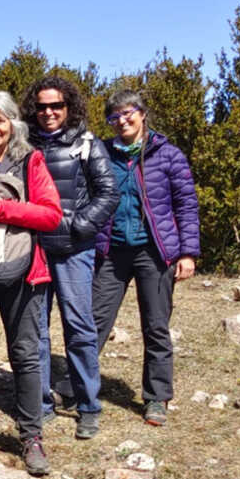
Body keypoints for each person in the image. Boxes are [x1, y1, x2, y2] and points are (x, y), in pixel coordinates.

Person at [0, 92, 62, 476]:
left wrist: (1, 209)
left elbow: (51, 216)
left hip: (25, 275)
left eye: (0, 120)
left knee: (25, 355)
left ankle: (31, 437)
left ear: (13, 123)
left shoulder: (30, 161)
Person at [93, 89, 199, 427]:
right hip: (112, 250)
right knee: (94, 321)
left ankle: (156, 398)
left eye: (128, 113)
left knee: (155, 326)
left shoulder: (168, 155)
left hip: (154, 252)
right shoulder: (102, 154)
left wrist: (187, 252)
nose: (122, 120)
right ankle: (78, 385)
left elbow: (186, 205)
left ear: (142, 113)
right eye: (114, 116)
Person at [21, 77, 119, 439]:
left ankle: (88, 405)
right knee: (37, 333)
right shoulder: (25, 143)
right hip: (35, 250)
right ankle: (41, 404)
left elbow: (108, 193)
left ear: (69, 107)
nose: (49, 112)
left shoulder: (87, 143)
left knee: (79, 329)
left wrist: (78, 226)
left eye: (56, 106)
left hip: (75, 249)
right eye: (43, 106)